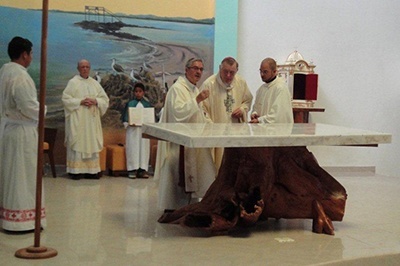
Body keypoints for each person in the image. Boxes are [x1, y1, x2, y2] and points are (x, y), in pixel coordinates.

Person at [154, 58, 216, 211]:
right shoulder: (178, 89)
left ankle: (190, 205)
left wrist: (210, 125)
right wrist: (197, 100)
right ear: (186, 69)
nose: (198, 72)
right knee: (176, 173)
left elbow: (199, 114)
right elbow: (179, 113)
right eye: (195, 68)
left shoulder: (193, 89)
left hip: (192, 142)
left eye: (201, 69)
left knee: (200, 170)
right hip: (178, 144)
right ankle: (173, 207)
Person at [0, 36, 47, 232]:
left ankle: (8, 217)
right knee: (23, 176)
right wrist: (43, 109)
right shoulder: (20, 76)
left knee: (10, 174)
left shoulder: (4, 71)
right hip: (22, 131)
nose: (32, 57)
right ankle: (22, 221)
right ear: (24, 54)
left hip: (9, 128)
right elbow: (28, 107)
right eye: (31, 53)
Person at [200, 56, 253, 170]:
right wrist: (213, 129)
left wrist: (242, 109)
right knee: (218, 166)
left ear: (236, 71)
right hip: (217, 135)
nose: (229, 76)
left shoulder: (241, 83)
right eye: (225, 72)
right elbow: (202, 110)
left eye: (232, 73)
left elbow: (247, 100)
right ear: (220, 68)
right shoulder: (209, 85)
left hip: (236, 133)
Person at [62, 59, 109, 180]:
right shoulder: (73, 82)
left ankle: (91, 171)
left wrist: (96, 101)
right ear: (78, 68)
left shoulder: (94, 83)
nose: (85, 69)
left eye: (87, 67)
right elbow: (66, 99)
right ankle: (75, 171)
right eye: (82, 67)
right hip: (78, 119)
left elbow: (105, 99)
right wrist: (80, 101)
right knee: (78, 140)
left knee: (91, 141)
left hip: (91, 121)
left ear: (90, 68)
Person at [121, 82, 152, 179]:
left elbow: (150, 118)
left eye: (140, 91)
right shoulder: (130, 104)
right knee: (133, 149)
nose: (138, 93)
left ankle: (142, 170)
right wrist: (128, 123)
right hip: (133, 131)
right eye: (136, 91)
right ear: (134, 93)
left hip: (143, 131)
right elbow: (125, 118)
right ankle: (132, 169)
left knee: (143, 150)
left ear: (144, 92)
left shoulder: (147, 104)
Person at [250, 57, 293, 124]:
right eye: (260, 71)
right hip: (263, 131)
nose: (262, 74)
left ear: (274, 71)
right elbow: (256, 107)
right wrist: (254, 114)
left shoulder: (281, 88)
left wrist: (260, 120)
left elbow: (278, 115)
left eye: (265, 72)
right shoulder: (261, 89)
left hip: (277, 132)